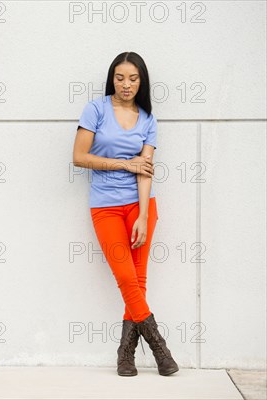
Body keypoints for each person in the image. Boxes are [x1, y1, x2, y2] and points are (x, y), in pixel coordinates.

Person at [72, 52, 179, 377]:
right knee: (126, 278)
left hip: (141, 206)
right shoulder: (96, 109)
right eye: (120, 77)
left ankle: (125, 356)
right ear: (112, 79)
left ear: (141, 81)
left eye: (133, 78)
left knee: (138, 281)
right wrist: (124, 163)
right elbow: (79, 156)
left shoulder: (148, 118)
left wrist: (144, 216)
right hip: (105, 206)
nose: (126, 84)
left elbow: (145, 170)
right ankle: (160, 349)